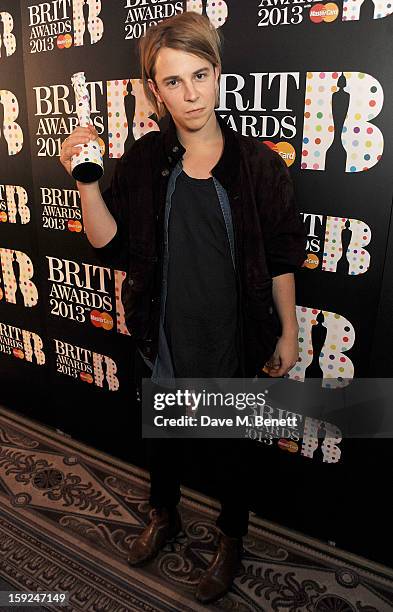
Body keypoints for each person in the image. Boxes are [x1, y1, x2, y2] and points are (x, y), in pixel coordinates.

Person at [60, 11, 307, 604]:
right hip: (163, 333)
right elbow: (108, 243)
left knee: (233, 452)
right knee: (163, 441)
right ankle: (163, 516)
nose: (190, 94)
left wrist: (289, 331)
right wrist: (86, 183)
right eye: (173, 82)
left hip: (235, 337)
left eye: (200, 75)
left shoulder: (259, 165)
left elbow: (279, 258)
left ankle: (230, 537)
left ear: (218, 72)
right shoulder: (145, 161)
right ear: (154, 90)